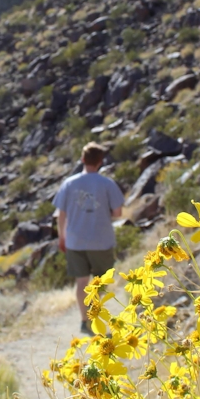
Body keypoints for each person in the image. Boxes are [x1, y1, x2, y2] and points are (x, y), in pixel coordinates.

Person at [54, 142, 124, 334]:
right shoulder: (107, 184)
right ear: (100, 162)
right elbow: (118, 212)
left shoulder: (69, 184)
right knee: (100, 283)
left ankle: (85, 321)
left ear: (83, 159)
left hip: (76, 241)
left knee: (81, 283)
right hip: (102, 240)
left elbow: (61, 214)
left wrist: (62, 237)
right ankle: (97, 317)